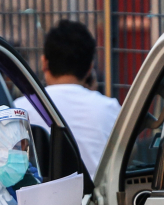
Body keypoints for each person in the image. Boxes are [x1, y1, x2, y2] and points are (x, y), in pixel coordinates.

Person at [15, 19, 121, 178]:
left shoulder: (19, 109)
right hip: (95, 201)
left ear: (44, 63)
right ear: (90, 68)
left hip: (35, 201)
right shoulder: (110, 108)